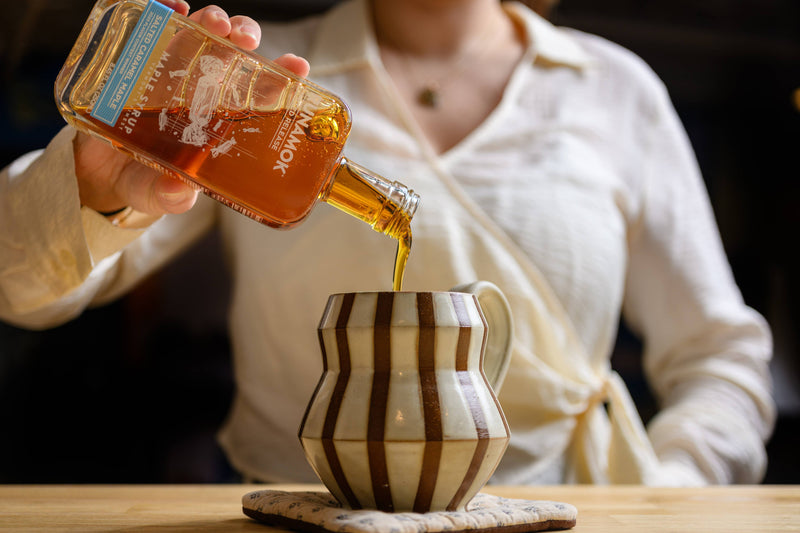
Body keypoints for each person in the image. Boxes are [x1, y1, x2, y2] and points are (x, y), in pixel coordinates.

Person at [0, 0, 775, 485]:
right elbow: (18, 287)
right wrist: (93, 188)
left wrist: (665, 494)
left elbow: (721, 357)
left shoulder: (614, 90)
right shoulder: (251, 80)